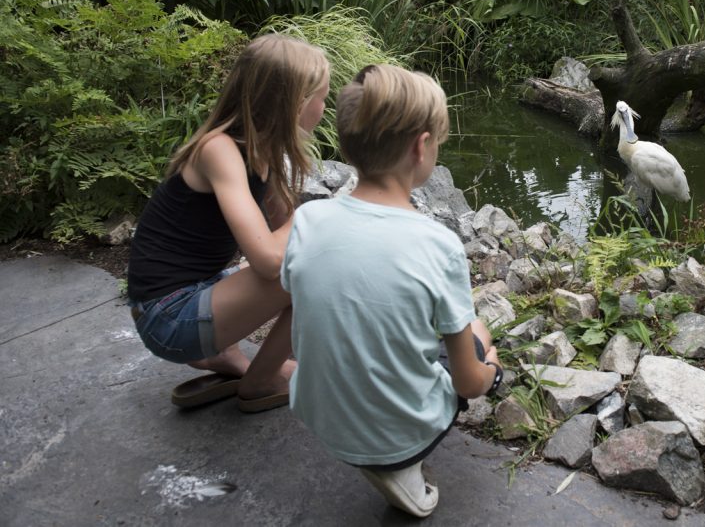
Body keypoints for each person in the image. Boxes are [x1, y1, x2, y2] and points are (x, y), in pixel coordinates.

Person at [282, 63, 504, 518]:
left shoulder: (308, 220)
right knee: (477, 334)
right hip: (395, 437)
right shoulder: (439, 245)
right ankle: (400, 464)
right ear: (421, 148)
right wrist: (492, 368)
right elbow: (467, 383)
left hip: (317, 414)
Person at [126, 34, 331, 413]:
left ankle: (228, 358)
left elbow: (287, 237)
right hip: (166, 316)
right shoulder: (219, 150)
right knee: (314, 273)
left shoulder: (264, 151)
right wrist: (315, 216)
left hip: (193, 292)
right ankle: (260, 381)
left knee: (315, 260)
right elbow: (271, 260)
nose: (324, 106)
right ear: (293, 103)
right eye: (321, 96)